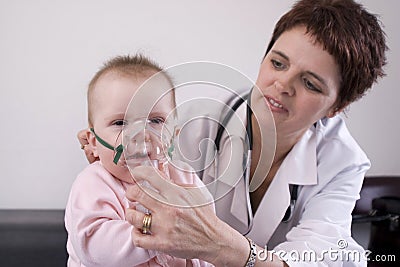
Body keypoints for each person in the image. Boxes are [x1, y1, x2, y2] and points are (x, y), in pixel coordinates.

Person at [78, 0, 388, 266]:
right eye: (278, 63)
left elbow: (319, 255)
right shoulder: (190, 126)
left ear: (337, 105)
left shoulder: (342, 161)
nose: (282, 85)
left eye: (310, 83)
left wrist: (227, 249)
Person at [67, 54, 212, 267]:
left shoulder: (185, 179)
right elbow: (94, 245)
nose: (140, 135)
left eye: (155, 121)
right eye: (120, 122)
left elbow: (207, 234)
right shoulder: (94, 183)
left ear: (174, 134)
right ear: (93, 142)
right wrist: (164, 236)